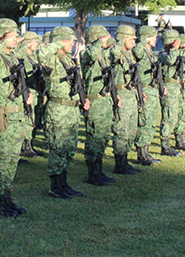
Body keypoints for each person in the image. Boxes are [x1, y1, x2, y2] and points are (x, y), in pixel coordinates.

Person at [0, 18, 32, 217]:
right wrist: (4, 38)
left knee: (12, 160)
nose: (16, 39)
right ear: (1, 36)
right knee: (1, 160)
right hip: (2, 114)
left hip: (17, 115)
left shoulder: (12, 57)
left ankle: (7, 197)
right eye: (13, 36)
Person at [39, 26, 90, 197]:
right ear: (60, 41)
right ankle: (55, 186)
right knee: (58, 148)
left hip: (71, 108)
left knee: (69, 148)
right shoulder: (52, 58)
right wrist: (56, 43)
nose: (72, 44)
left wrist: (83, 100)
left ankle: (64, 184)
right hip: (58, 109)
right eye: (69, 40)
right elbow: (41, 55)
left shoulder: (68, 59)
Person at [81, 25, 118, 186]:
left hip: (105, 100)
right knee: (94, 137)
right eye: (103, 37)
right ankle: (92, 173)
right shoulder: (88, 53)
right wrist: (99, 42)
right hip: (95, 101)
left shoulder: (102, 55)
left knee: (102, 137)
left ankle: (99, 171)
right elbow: (91, 54)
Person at [110, 25, 145, 174]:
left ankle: (125, 160)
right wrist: (119, 42)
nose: (133, 42)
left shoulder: (130, 54)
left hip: (132, 94)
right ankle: (119, 163)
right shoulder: (116, 53)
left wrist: (140, 91)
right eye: (131, 39)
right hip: (121, 94)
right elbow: (115, 55)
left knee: (131, 130)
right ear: (123, 39)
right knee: (121, 130)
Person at [132, 26, 163, 166]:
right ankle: (141, 154)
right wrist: (143, 41)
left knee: (150, 121)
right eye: (153, 37)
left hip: (152, 89)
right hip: (144, 89)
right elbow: (136, 52)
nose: (155, 39)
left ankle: (147, 151)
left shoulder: (149, 52)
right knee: (144, 121)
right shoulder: (141, 49)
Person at [16, 31, 45, 159]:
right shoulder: (22, 56)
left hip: (35, 90)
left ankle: (30, 144)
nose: (37, 44)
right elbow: (25, 76)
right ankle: (25, 146)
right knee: (28, 119)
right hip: (28, 91)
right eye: (35, 42)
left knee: (34, 119)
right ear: (28, 43)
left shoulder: (32, 56)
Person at [157, 29, 183, 157]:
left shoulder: (176, 53)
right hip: (168, 87)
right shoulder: (163, 55)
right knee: (168, 117)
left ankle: (170, 142)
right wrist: (175, 49)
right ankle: (165, 146)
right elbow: (170, 61)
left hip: (175, 87)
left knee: (174, 116)